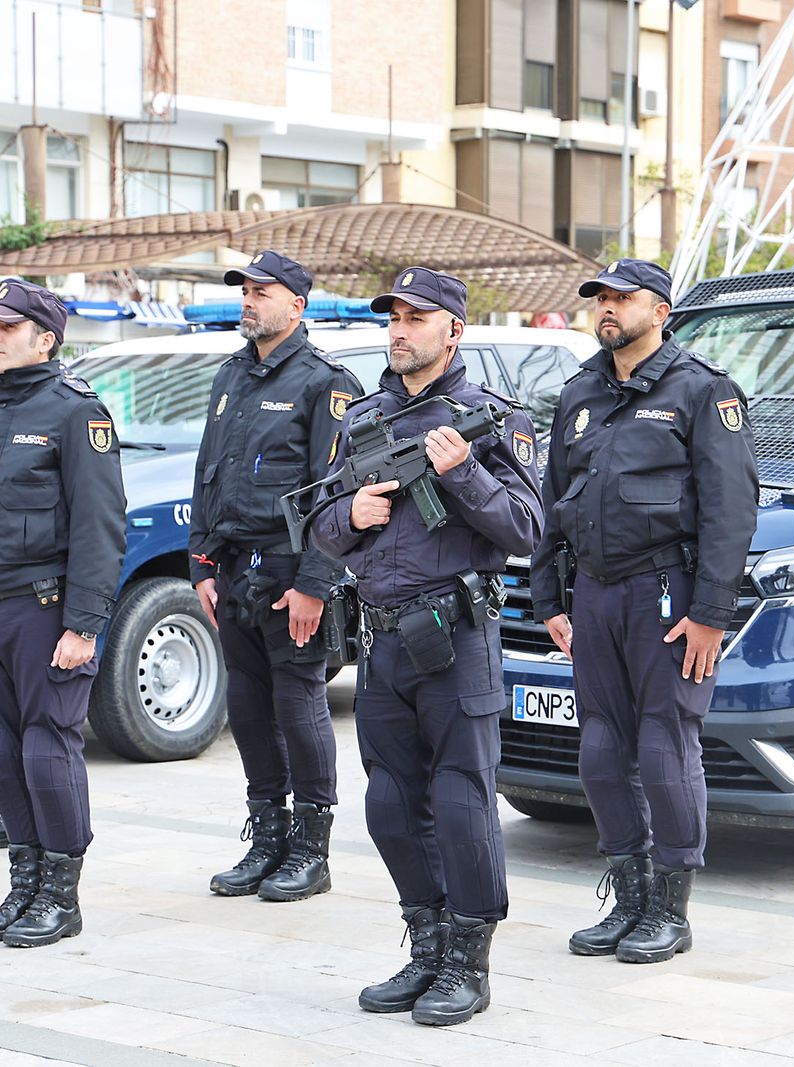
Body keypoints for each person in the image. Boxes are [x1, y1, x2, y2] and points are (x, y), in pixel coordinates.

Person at [310, 267, 542, 1027]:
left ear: (454, 330)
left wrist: (464, 472)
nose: (400, 328)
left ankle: (468, 962)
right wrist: (355, 512)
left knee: (461, 800)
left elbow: (527, 530)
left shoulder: (492, 418)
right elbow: (321, 527)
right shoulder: (364, 418)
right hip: (383, 640)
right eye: (394, 316)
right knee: (390, 805)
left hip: (457, 636)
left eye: (417, 316)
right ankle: (427, 944)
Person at [530, 259, 757, 965]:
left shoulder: (703, 391)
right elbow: (552, 501)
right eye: (599, 297)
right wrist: (548, 598)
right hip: (595, 594)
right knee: (600, 751)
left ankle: (670, 906)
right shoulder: (579, 394)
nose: (605, 307)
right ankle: (627, 895)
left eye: (619, 298)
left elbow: (732, 507)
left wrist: (712, 612)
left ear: (658, 309)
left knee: (664, 745)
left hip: (668, 593)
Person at [0, 279, 127, 949]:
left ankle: (60, 895)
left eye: (8, 325)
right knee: (0, 752)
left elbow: (101, 528)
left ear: (45, 338)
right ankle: (23, 881)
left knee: (48, 749)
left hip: (47, 609)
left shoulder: (77, 412)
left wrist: (85, 625)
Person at [191, 250, 362, 902]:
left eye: (262, 291)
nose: (248, 300)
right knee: (249, 707)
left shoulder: (325, 382)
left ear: (298, 304)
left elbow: (337, 490)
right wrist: (200, 562)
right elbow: (208, 470)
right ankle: (267, 838)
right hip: (234, 569)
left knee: (299, 705)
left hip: (292, 569)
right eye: (245, 290)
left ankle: (311, 850)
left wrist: (317, 582)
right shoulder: (231, 374)